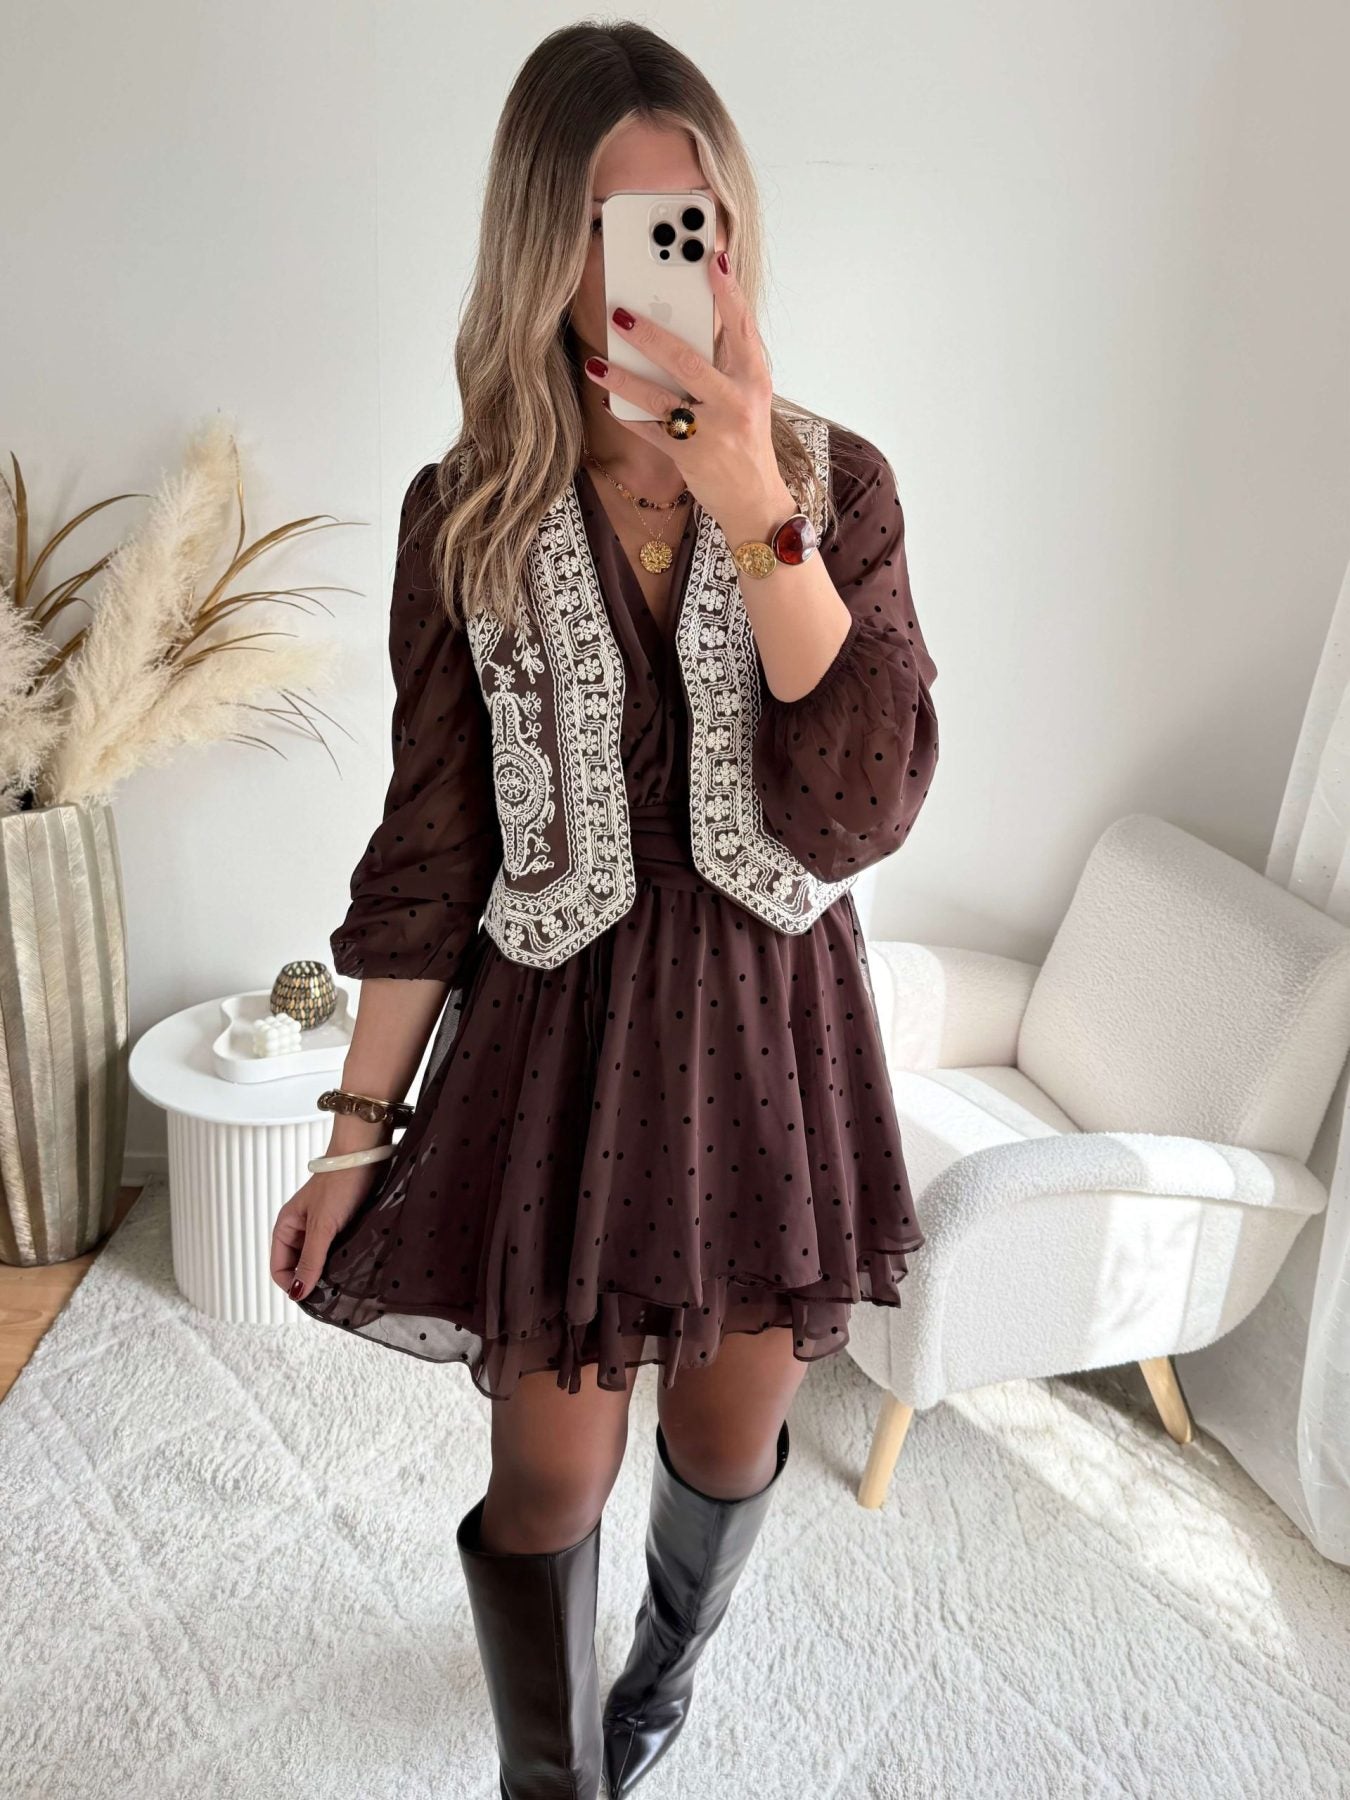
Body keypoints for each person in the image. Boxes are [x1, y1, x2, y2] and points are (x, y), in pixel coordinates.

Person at [270, 19, 939, 1798]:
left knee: (724, 1439)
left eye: (687, 219)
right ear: (538, 243)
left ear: (730, 230)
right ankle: (551, 1774)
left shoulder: (838, 482)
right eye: (611, 224)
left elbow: (860, 804)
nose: (659, 260)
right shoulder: (465, 513)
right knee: (546, 1478)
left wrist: (752, 502)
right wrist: (351, 1134)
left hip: (770, 1039)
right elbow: (432, 848)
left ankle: (661, 1673)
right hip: (557, 1039)